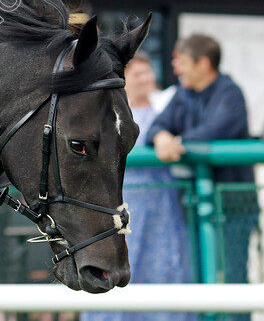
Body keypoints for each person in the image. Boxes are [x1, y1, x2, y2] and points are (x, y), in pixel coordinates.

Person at [81, 52, 196, 321]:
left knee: (167, 263)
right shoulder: (105, 117)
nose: (145, 79)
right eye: (137, 74)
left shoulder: (166, 111)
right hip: (122, 205)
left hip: (163, 207)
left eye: (148, 72)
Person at [146, 34, 255, 291]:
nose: (176, 68)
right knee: (196, 277)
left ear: (203, 64)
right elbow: (156, 127)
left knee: (232, 278)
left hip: (233, 207)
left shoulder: (230, 92)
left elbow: (215, 130)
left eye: (182, 62)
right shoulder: (184, 92)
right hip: (194, 205)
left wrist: (176, 141)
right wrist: (162, 137)